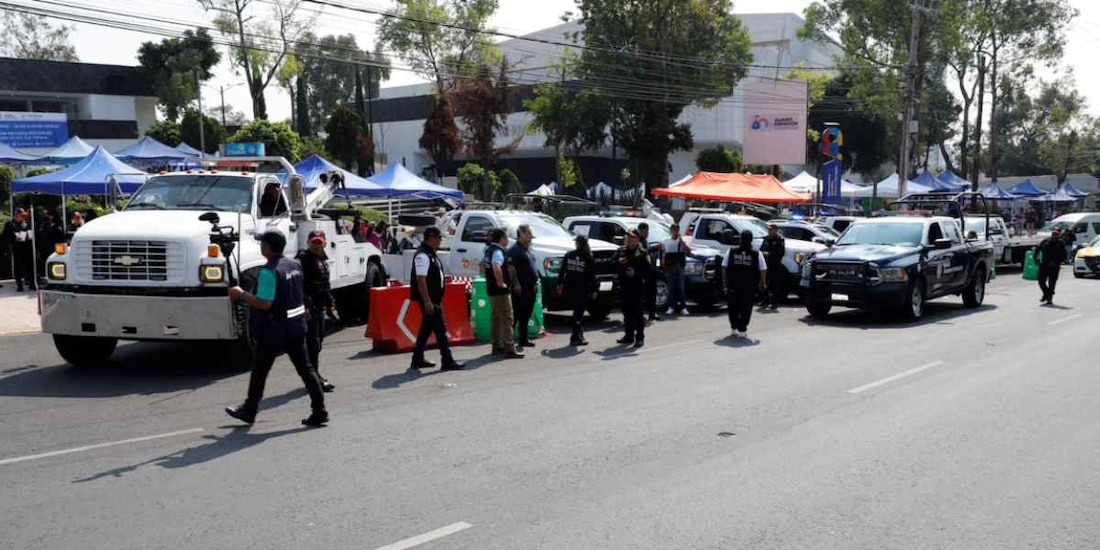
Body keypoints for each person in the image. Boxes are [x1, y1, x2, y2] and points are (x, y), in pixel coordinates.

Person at [225, 230, 329, 427]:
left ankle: (249, 410)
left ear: (267, 247)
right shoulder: (294, 265)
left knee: (259, 371)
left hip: (275, 330)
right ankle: (320, 410)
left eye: (262, 244)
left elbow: (264, 303)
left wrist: (240, 294)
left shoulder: (269, 271)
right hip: (297, 326)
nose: (260, 247)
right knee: (306, 370)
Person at [410, 227, 465, 371]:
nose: (441, 241)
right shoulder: (423, 255)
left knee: (426, 329)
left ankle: (417, 359)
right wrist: (427, 301)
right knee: (441, 331)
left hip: (434, 299)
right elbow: (421, 280)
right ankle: (447, 360)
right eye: (439, 238)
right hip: (430, 300)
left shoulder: (431, 254)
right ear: (431, 238)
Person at [296, 229, 336, 393]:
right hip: (310, 308)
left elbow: (324, 285)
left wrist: (330, 303)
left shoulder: (322, 259)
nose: (317, 245)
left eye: (320, 242)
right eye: (314, 243)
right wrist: (305, 307)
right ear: (309, 243)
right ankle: (314, 378)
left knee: (317, 343)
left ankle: (313, 376)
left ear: (325, 243)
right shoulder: (304, 260)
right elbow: (301, 286)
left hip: (319, 307)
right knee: (313, 344)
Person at [483, 228, 523, 358]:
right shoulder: (498, 251)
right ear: (501, 238)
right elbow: (496, 266)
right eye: (506, 238)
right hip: (500, 291)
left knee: (496, 318)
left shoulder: (489, 250)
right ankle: (509, 347)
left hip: (491, 289)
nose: (507, 240)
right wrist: (501, 282)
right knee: (507, 318)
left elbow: (484, 266)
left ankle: (497, 345)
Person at [724, 230, 768, 338]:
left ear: (740, 239)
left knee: (733, 307)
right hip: (749, 286)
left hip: (733, 285)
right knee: (746, 308)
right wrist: (763, 282)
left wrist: (725, 282)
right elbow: (763, 269)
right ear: (751, 240)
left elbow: (724, 266)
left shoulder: (731, 251)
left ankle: (734, 328)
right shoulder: (756, 253)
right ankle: (742, 330)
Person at [558, 234, 597, 346]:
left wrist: (560, 283)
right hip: (582, 289)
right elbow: (592, 276)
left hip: (569, 288)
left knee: (577, 312)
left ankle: (579, 335)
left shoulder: (569, 255)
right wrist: (594, 289)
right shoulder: (588, 257)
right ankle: (575, 337)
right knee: (578, 314)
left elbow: (562, 271)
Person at [615, 230, 652, 348]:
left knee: (638, 313)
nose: (629, 240)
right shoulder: (621, 250)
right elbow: (613, 261)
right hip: (624, 286)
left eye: (632, 238)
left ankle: (640, 337)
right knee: (626, 313)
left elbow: (648, 270)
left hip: (637, 287)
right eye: (628, 238)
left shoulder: (642, 253)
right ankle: (628, 335)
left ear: (637, 239)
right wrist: (618, 260)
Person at [508, 224, 539, 348]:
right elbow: (511, 268)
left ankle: (523, 339)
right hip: (520, 288)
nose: (531, 237)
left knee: (526, 314)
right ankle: (508, 342)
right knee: (516, 314)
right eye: (528, 234)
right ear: (521, 235)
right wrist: (516, 284)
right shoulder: (514, 250)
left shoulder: (528, 249)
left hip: (530, 287)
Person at [662, 223, 692, 315]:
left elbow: (688, 250)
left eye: (676, 230)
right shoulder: (665, 241)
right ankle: (671, 306)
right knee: (671, 287)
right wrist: (662, 265)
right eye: (673, 230)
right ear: (670, 231)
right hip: (669, 266)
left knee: (681, 288)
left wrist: (681, 240)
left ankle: (683, 307)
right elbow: (663, 253)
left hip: (679, 266)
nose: (675, 232)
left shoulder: (682, 240)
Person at [2, 209, 34, 291]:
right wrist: (15, 237)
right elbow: (5, 236)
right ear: (16, 215)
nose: (23, 217)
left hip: (27, 247)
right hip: (16, 248)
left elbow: (31, 232)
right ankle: (19, 284)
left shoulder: (25, 223)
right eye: (21, 215)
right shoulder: (9, 224)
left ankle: (31, 283)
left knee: (30, 266)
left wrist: (29, 235)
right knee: (18, 266)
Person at [1034, 228, 1068, 305]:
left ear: (1058, 236)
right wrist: (1035, 259)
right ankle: (1046, 293)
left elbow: (1064, 255)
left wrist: (1057, 262)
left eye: (1056, 235)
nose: (1054, 236)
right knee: (1041, 281)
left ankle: (1049, 298)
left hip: (1054, 266)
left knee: (1052, 283)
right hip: (1044, 264)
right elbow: (1037, 249)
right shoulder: (1045, 241)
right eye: (1053, 234)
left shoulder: (1060, 243)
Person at [637, 222, 661, 321]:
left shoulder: (645, 241)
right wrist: (654, 248)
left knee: (652, 293)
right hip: (642, 272)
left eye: (648, 230)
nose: (647, 232)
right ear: (641, 231)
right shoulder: (638, 241)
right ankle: (640, 314)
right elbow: (643, 252)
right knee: (643, 294)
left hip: (650, 270)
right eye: (646, 231)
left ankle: (652, 313)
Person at [760, 223, 786, 309]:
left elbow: (781, 253)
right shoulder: (766, 239)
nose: (769, 231)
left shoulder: (779, 240)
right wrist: (763, 254)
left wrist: (770, 254)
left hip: (775, 265)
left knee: (774, 284)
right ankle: (764, 300)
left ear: (775, 230)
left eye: (771, 230)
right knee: (764, 283)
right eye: (768, 230)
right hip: (766, 265)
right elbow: (761, 249)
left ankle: (774, 302)